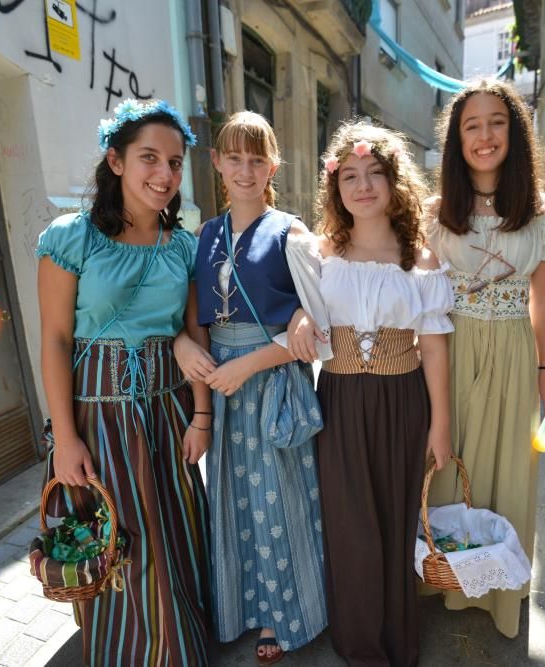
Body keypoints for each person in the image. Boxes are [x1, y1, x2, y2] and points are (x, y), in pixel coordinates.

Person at [36, 99, 211, 666]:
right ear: (115, 161)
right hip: (97, 416)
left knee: (175, 534)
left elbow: (192, 334)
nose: (164, 175)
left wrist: (201, 416)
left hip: (166, 412)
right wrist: (65, 438)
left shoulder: (182, 246)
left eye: (176, 162)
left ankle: (178, 644)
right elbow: (56, 341)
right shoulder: (71, 238)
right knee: (115, 539)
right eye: (149, 158)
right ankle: (128, 651)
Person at [290, 121, 454, 666]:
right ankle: (360, 646)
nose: (363, 187)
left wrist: (440, 424)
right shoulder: (319, 253)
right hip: (339, 401)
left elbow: (432, 348)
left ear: (394, 182)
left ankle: (395, 639)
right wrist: (295, 317)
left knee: (394, 518)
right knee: (350, 523)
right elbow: (301, 311)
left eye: (375, 174)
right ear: (335, 189)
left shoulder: (420, 259)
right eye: (350, 177)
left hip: (403, 399)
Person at [425, 78, 545, 638]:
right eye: (472, 125)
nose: (485, 135)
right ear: (456, 140)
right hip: (453, 350)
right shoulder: (436, 211)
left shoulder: (538, 213)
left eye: (497, 122)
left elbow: (543, 298)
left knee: (511, 470)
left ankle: (497, 594)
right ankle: (440, 578)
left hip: (514, 352)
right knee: (448, 463)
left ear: (515, 133)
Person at [174, 111, 328, 665]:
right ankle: (241, 606)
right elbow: (193, 318)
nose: (245, 169)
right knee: (235, 502)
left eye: (256, 158)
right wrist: (186, 349)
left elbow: (319, 331)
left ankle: (283, 613)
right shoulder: (205, 235)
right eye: (234, 157)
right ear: (216, 163)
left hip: (268, 383)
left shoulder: (292, 232)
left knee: (277, 501)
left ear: (273, 166)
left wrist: (249, 365)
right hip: (220, 381)